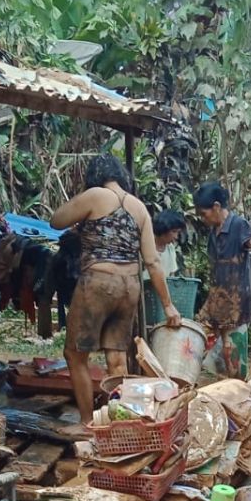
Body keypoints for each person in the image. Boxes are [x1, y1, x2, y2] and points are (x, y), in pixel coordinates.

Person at [51, 154, 181, 424]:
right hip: (129, 286)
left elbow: (56, 220)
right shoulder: (139, 207)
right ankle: (121, 425)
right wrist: (168, 304)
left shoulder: (95, 195)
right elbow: (153, 262)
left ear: (95, 176)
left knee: (75, 355)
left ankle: (88, 424)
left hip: (98, 281)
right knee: (117, 357)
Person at [193, 182, 251, 378]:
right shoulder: (213, 233)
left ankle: (238, 394)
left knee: (234, 361)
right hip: (216, 303)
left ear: (217, 207)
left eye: (204, 213)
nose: (203, 218)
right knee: (199, 346)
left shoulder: (238, 225)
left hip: (236, 307)